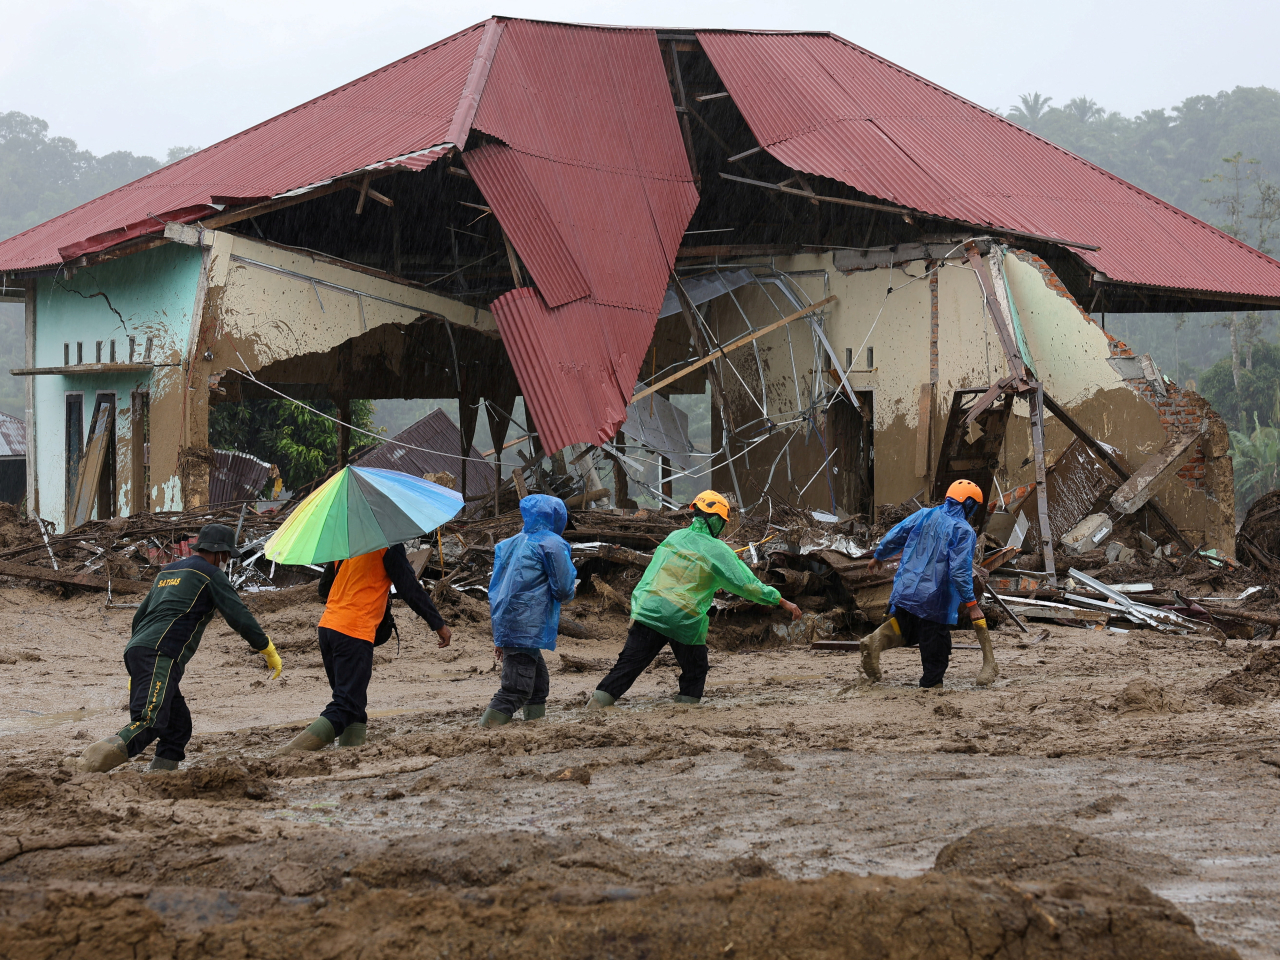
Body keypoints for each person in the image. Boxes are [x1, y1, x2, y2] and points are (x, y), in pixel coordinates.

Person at [77, 524, 281, 773]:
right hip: (160, 653)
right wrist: (266, 648)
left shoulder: (168, 570)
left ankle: (160, 776)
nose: (228, 561)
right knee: (149, 721)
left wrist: (137, 666)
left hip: (138, 649)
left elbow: (140, 615)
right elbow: (239, 615)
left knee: (177, 726)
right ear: (219, 553)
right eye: (228, 556)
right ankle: (85, 765)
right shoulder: (211, 574)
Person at [589, 490, 802, 708]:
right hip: (683, 617)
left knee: (627, 666)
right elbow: (747, 585)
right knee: (695, 670)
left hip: (648, 609)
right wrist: (781, 601)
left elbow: (669, 574)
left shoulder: (674, 537)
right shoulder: (718, 549)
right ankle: (685, 711)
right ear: (717, 521)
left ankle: (596, 706)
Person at [277, 541, 451, 753]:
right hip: (354, 631)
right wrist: (438, 624)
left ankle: (351, 757)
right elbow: (409, 587)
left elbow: (324, 588)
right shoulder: (387, 544)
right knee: (346, 705)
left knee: (354, 704)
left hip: (328, 628)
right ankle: (287, 754)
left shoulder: (345, 544)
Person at [860, 479, 998, 688]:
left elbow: (898, 533)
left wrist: (879, 555)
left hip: (905, 589)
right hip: (934, 598)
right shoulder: (963, 531)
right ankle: (931, 688)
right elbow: (959, 571)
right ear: (968, 504)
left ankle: (876, 640)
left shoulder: (925, 514)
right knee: (936, 646)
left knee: (907, 629)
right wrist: (972, 604)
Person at [478, 494, 576, 727]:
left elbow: (497, 589)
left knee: (537, 686)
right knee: (516, 689)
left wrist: (500, 634)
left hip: (507, 621)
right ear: (557, 517)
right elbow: (563, 589)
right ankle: (485, 732)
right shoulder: (552, 543)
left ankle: (535, 729)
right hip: (527, 625)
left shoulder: (509, 543)